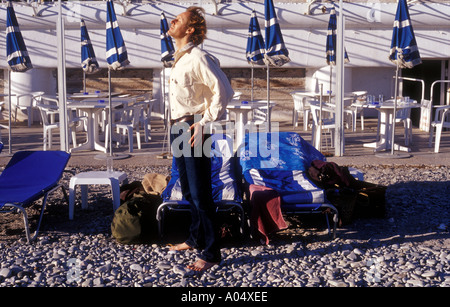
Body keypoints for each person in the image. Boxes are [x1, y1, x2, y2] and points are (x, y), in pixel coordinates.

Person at [167, 6, 234, 272]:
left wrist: (204, 123)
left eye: (179, 20)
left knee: (200, 192)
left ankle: (212, 252)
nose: (173, 21)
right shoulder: (180, 57)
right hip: (180, 128)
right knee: (187, 189)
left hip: (195, 126)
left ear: (190, 29)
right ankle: (195, 238)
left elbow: (224, 91)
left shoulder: (198, 57)